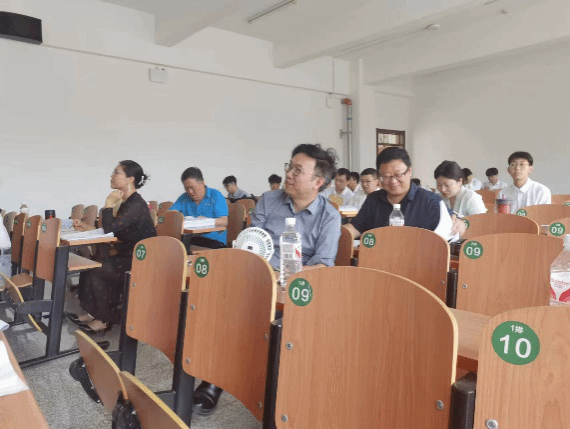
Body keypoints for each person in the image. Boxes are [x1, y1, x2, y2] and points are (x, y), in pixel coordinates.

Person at [192, 144, 341, 416]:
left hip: (294, 286)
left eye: (298, 170)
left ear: (318, 182)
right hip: (256, 274)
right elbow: (251, 241)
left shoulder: (329, 216)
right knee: (215, 297)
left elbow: (323, 266)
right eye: (289, 166)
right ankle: (216, 376)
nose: (289, 174)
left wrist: (287, 276)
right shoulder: (269, 200)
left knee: (256, 315)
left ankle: (269, 384)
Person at [69, 161, 157, 333]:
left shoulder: (136, 203)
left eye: (116, 172)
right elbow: (113, 230)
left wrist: (108, 204)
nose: (112, 176)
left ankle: (104, 319)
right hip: (128, 254)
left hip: (142, 259)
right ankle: (92, 312)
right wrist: (87, 227)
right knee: (90, 267)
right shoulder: (126, 202)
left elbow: (110, 229)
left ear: (130, 179)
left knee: (98, 271)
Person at [345, 147, 465, 241]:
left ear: (409, 171)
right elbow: (356, 227)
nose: (393, 181)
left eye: (398, 175)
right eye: (386, 176)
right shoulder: (374, 199)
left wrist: (460, 223)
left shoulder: (430, 201)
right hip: (379, 259)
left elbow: (455, 224)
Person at [170, 167, 228, 248]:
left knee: (181, 248)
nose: (190, 191)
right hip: (191, 239)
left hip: (214, 241)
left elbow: (224, 221)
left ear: (202, 183)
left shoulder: (215, 195)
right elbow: (169, 215)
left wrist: (206, 222)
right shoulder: (184, 197)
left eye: (192, 187)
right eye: (186, 188)